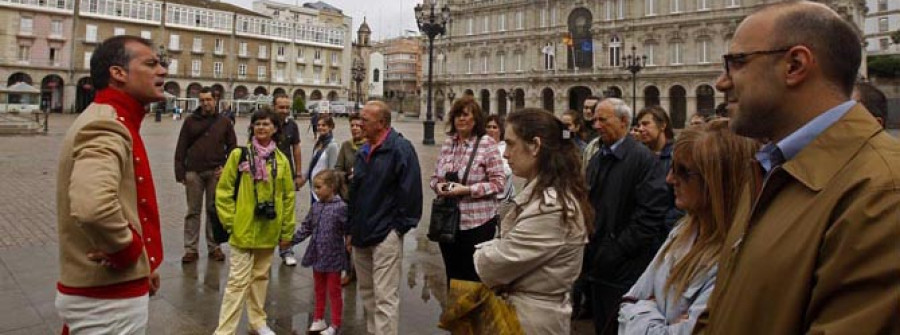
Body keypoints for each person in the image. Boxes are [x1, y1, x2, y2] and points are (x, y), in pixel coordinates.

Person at [695, 2, 900, 334]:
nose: (721, 82)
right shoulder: (771, 168)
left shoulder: (883, 193)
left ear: (795, 65)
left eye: (737, 62)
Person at [55, 35, 166, 334]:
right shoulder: (106, 123)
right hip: (106, 299)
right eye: (151, 63)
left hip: (106, 290)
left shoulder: (112, 117)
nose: (163, 70)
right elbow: (92, 205)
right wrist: (127, 252)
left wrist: (143, 267)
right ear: (118, 73)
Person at [618, 120, 759, 334]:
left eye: (683, 171)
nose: (670, 178)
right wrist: (654, 319)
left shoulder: (737, 255)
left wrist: (643, 311)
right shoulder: (683, 231)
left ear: (720, 181)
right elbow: (628, 301)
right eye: (673, 168)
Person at [473, 108, 593, 334]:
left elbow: (493, 265)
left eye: (510, 144)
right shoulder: (542, 192)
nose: (505, 154)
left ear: (535, 146)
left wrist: (483, 251)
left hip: (532, 321)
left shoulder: (552, 207)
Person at [585, 98, 670, 335]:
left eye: (603, 119)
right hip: (598, 260)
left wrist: (617, 250)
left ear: (623, 121)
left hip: (623, 266)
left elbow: (651, 213)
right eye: (595, 119)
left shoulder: (642, 159)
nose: (597, 125)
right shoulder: (598, 157)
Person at [214, 108, 296, 335]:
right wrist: (231, 221)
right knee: (237, 282)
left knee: (260, 278)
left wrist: (287, 231)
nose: (261, 127)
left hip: (269, 229)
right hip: (243, 229)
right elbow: (223, 191)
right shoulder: (239, 155)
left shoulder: (281, 160)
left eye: (266, 124)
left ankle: (257, 321)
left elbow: (288, 197)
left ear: (276, 129)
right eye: (257, 123)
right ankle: (225, 330)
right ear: (252, 127)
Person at [348, 101, 423, 335]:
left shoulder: (400, 149)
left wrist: (396, 230)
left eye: (365, 120)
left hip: (385, 235)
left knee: (385, 298)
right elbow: (355, 194)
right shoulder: (363, 151)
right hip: (361, 234)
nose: (359, 124)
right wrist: (350, 229)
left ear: (381, 123)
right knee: (368, 294)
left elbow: (411, 194)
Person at [430, 96, 506, 284]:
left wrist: (467, 190)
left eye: (465, 115)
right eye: (457, 115)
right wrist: (437, 186)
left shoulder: (486, 143)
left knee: (471, 277)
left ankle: (471, 313)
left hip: (477, 222)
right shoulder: (449, 142)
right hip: (448, 220)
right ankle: (455, 312)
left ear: (476, 119)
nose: (460, 119)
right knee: (452, 274)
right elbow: (435, 177)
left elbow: (498, 183)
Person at [174, 86, 237, 263]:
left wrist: (226, 167)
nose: (205, 103)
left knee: (213, 210)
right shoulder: (190, 121)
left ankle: (214, 246)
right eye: (202, 100)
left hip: (215, 173)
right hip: (193, 172)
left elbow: (233, 147)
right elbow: (181, 146)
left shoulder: (224, 122)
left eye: (208, 100)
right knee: (193, 211)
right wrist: (180, 172)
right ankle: (191, 249)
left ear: (215, 100)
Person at [291, 170, 349, 335]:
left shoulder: (341, 208)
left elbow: (348, 229)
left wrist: (350, 243)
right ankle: (318, 318)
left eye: (319, 187)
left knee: (334, 291)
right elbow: (307, 227)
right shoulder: (316, 206)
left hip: (334, 256)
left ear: (331, 187)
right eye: (314, 187)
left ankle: (336, 323)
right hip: (317, 254)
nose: (315, 191)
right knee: (318, 289)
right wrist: (292, 241)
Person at [635, 106, 682, 227]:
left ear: (662, 125)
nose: (640, 129)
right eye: (639, 125)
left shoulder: (677, 155)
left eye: (646, 124)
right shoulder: (639, 156)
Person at [334, 114, 366, 285]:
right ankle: (349, 270)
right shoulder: (346, 146)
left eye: (358, 125)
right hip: (347, 196)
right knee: (347, 235)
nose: (354, 128)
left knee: (361, 236)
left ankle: (363, 270)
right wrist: (346, 175)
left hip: (365, 198)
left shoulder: (369, 146)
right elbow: (337, 168)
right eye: (352, 125)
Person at [273, 93, 304, 266]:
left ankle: (286, 250)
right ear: (274, 107)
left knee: (287, 214)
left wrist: (298, 174)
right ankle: (265, 248)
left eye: (287, 107)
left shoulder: (292, 125)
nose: (285, 111)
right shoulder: (267, 123)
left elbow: (296, 149)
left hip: (287, 175)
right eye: (281, 107)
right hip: (268, 176)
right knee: (268, 212)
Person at [307, 114, 340, 202]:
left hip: (324, 191)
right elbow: (312, 164)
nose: (320, 127)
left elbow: (332, 171)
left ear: (330, 127)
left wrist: (329, 192)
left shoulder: (332, 146)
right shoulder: (318, 143)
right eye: (318, 125)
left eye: (324, 125)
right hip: (315, 188)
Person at [486, 115, 514, 200]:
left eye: (494, 127)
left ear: (501, 130)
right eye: (488, 127)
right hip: (484, 197)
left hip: (503, 198)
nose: (491, 130)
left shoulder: (506, 147)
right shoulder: (479, 147)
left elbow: (507, 170)